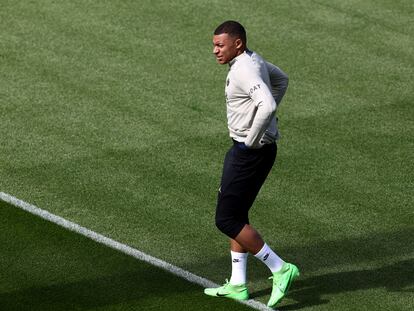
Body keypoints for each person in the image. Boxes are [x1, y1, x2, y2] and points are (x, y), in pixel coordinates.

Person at [204, 20, 299, 308]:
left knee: (226, 220)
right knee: (237, 214)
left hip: (249, 152)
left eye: (220, 45)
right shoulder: (252, 60)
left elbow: (267, 104)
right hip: (252, 150)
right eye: (214, 45)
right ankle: (238, 283)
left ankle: (280, 268)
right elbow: (281, 79)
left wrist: (252, 137)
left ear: (238, 44)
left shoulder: (244, 70)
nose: (215, 51)